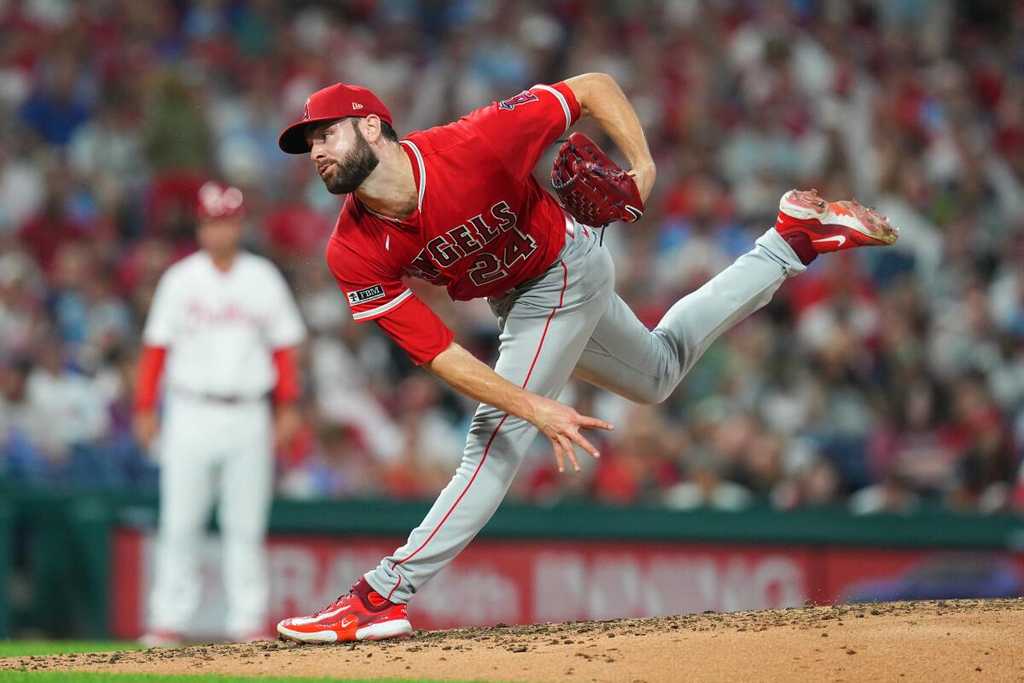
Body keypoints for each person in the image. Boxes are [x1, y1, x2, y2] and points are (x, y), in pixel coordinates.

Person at [274, 73, 897, 643]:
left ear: (372, 126)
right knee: (655, 373)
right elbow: (438, 353)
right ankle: (789, 241)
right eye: (309, 145)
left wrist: (643, 167)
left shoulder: (473, 142)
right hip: (515, 295)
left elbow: (593, 87)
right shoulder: (351, 248)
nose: (317, 152)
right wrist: (535, 404)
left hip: (560, 270)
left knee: (494, 439)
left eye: (326, 133)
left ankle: (383, 595)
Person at [135, 181, 307, 645]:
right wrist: (146, 406)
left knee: (245, 525)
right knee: (180, 522)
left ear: (239, 224)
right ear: (200, 226)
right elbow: (155, 350)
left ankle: (247, 622)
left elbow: (285, 348)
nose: (219, 230)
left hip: (249, 412)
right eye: (212, 222)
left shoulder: (262, 277)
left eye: (227, 221)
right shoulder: (180, 279)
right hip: (190, 409)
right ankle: (168, 620)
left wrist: (287, 406)